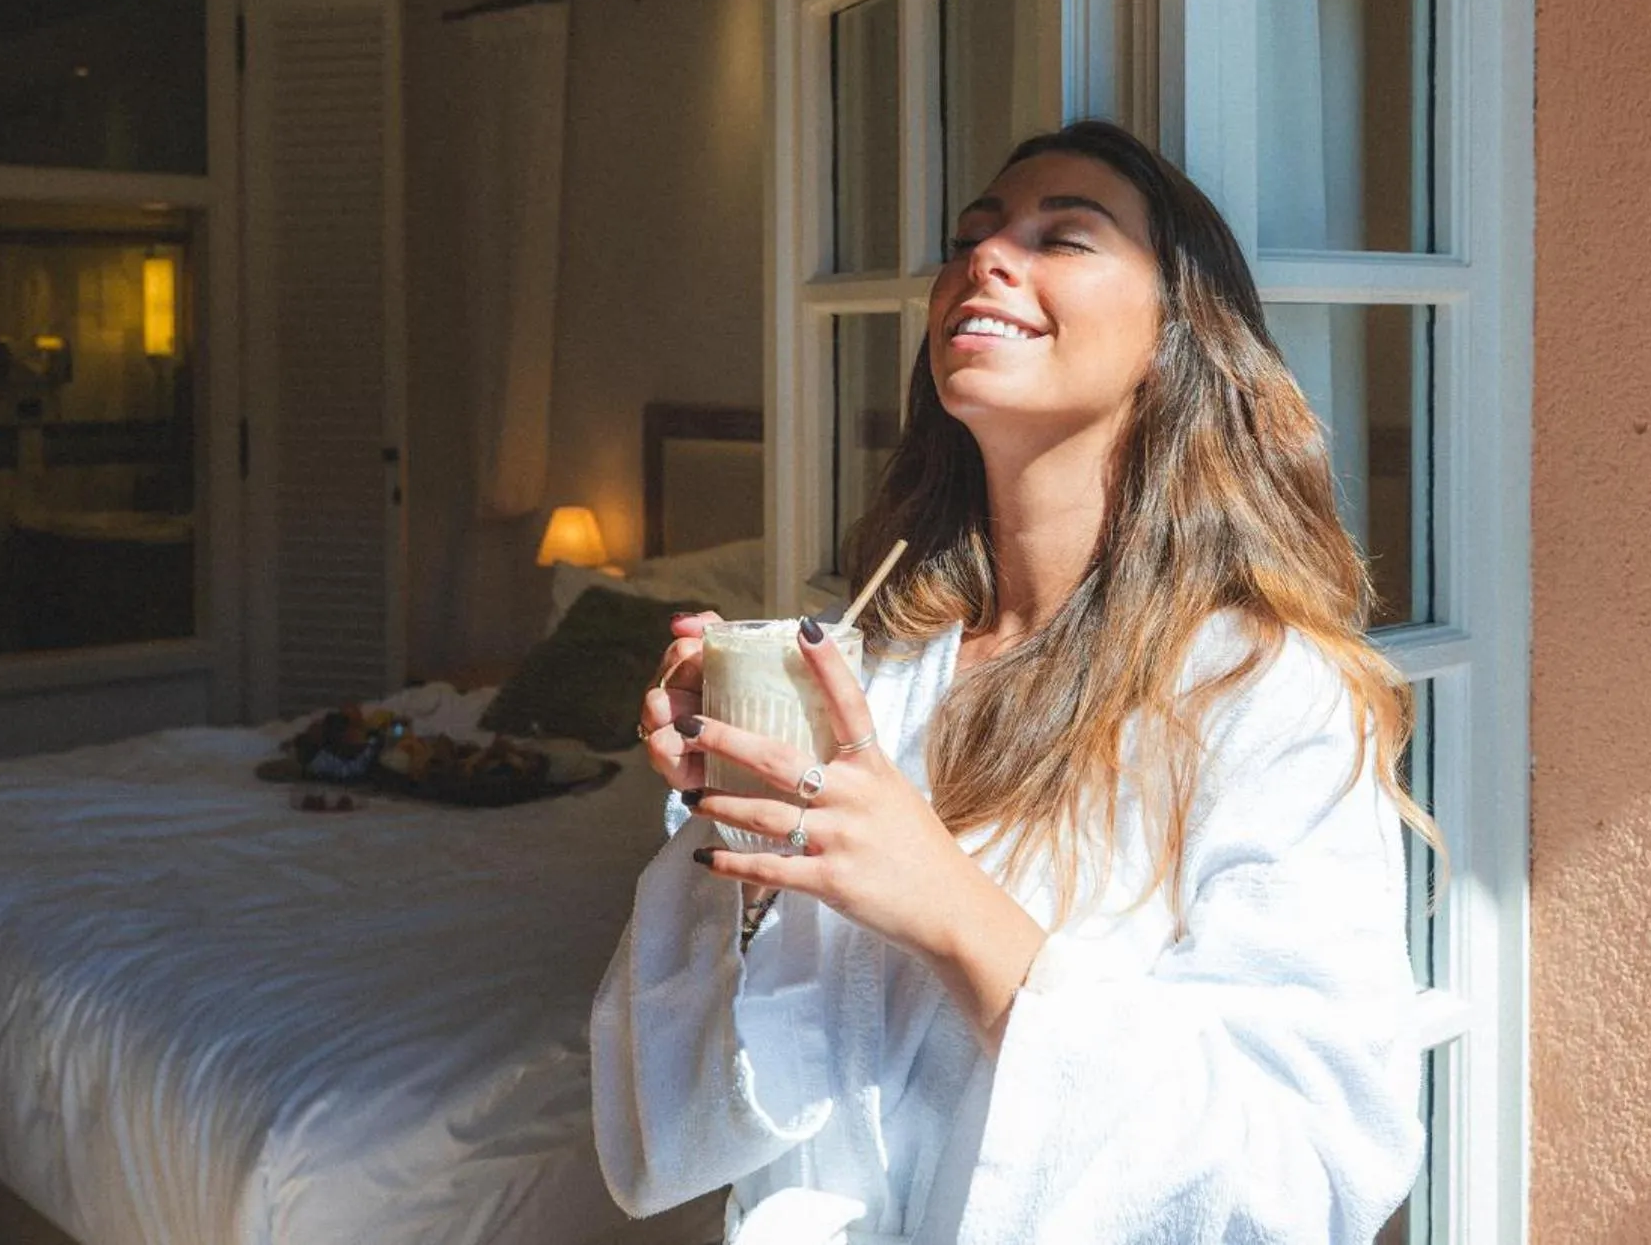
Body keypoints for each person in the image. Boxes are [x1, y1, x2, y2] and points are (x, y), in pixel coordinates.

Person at [592, 120, 1433, 1245]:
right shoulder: (881, 664)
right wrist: (748, 854)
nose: (983, 259)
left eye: (1063, 238)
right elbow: (691, 1116)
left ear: (1177, 331)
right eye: (971, 236)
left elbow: (1302, 1178)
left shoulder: (1263, 695)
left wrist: (953, 911)